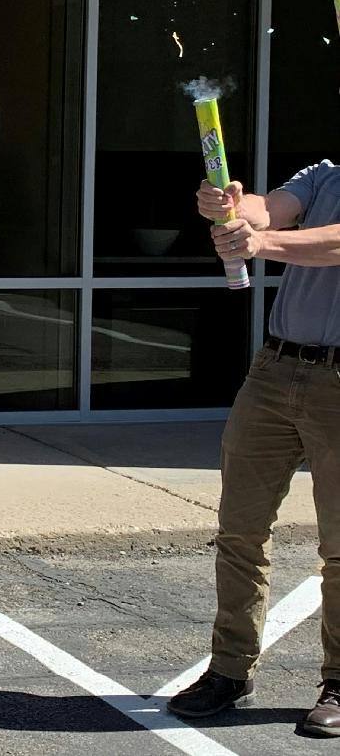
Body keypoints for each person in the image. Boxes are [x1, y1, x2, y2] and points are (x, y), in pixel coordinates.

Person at [167, 165, 340, 735]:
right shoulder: (326, 173)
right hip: (275, 369)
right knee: (240, 532)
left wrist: (259, 242)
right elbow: (273, 207)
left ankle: (339, 683)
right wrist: (234, 205)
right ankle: (229, 670)